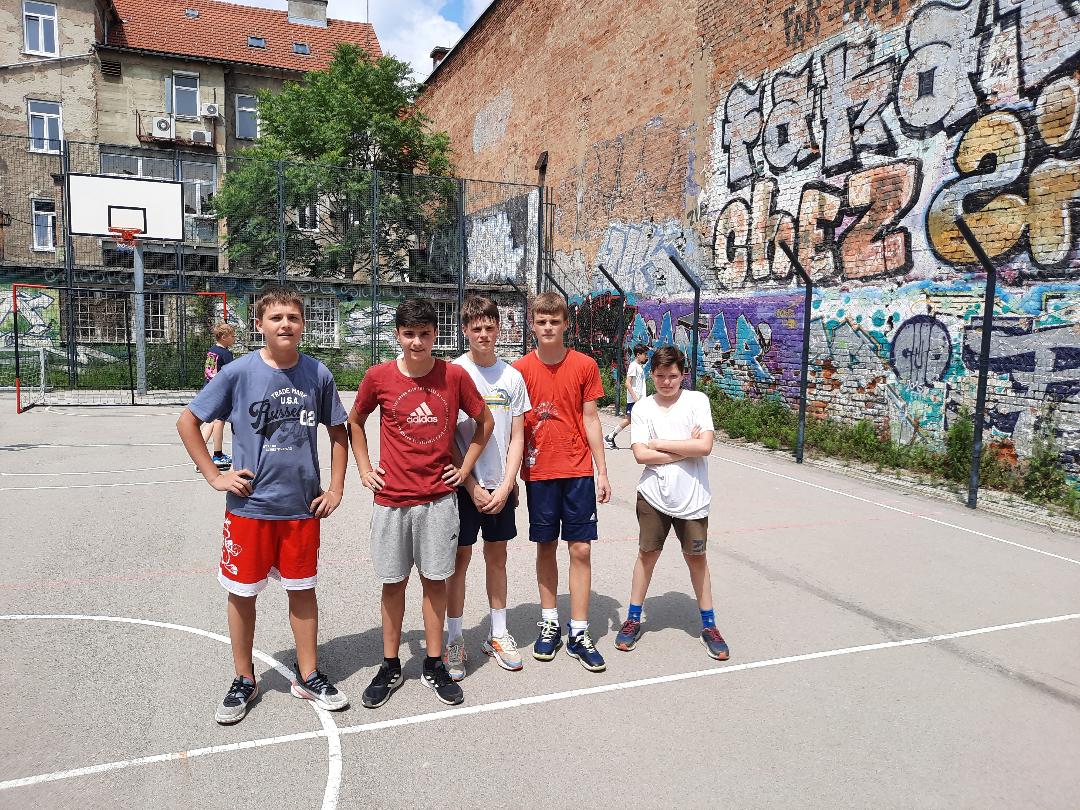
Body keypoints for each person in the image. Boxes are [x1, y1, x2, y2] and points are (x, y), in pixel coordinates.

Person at [177, 287, 351, 725]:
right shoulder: (239, 372)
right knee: (242, 594)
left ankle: (308, 675)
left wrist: (335, 488)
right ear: (259, 325)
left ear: (303, 324)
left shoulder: (317, 374)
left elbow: (338, 432)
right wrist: (214, 475)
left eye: (293, 317)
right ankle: (243, 678)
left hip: (301, 510)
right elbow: (188, 421)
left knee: (303, 591)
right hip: (250, 510)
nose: (285, 324)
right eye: (276, 317)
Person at [349, 297, 493, 709]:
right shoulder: (378, 376)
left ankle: (433, 663)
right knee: (393, 583)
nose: (417, 342)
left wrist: (464, 468)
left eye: (425, 334)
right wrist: (365, 468)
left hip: (438, 500)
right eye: (409, 334)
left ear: (436, 335)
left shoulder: (453, 376)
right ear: (397, 334)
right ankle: (390, 665)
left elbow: (484, 422)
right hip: (391, 500)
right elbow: (355, 420)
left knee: (435, 582)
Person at [513, 291, 611, 672]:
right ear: (533, 325)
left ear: (566, 324)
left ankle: (579, 632)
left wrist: (602, 471)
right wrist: (509, 477)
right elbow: (513, 428)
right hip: (539, 472)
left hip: (577, 471)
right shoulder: (520, 370)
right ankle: (550, 623)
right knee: (546, 546)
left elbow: (591, 419)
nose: (548, 327)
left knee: (581, 549)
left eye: (555, 321)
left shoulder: (585, 365)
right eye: (542, 321)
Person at [612, 345, 729, 661]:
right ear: (652, 374)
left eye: (673, 376)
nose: (666, 382)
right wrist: (686, 448)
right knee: (647, 555)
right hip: (653, 496)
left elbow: (705, 446)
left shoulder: (697, 401)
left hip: (693, 498)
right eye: (661, 375)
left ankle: (709, 626)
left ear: (683, 375)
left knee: (696, 559)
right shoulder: (642, 408)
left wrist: (660, 444)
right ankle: (633, 618)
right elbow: (640, 455)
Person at [444, 296, 531, 681]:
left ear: (499, 329)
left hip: (500, 488)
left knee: (498, 558)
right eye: (476, 328)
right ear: (465, 330)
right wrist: (470, 484)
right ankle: (455, 639)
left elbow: (517, 436)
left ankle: (498, 634)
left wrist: (508, 483)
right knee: (458, 562)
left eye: (489, 327)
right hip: (463, 488)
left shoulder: (512, 377)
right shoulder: (453, 373)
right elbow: (446, 438)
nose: (483, 334)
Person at [199, 322, 236, 470]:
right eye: (232, 336)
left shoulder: (212, 351)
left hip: (208, 389)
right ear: (224, 337)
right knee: (219, 421)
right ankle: (217, 455)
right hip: (219, 392)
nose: (234, 338)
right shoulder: (226, 354)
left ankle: (201, 456)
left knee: (211, 422)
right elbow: (232, 374)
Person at [605, 344, 648, 450]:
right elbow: (627, 383)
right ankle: (637, 444)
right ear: (638, 355)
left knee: (632, 420)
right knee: (636, 421)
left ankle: (610, 437)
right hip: (635, 400)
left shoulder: (639, 367)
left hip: (639, 400)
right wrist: (636, 399)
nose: (646, 356)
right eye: (645, 354)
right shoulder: (633, 366)